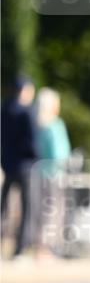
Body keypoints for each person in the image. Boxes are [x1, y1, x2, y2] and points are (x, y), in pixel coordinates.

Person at [1, 74, 37, 257]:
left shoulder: (4, 110)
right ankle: (20, 248)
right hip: (25, 166)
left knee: (4, 206)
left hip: (8, 165)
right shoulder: (26, 112)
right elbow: (31, 142)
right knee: (26, 208)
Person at [35, 87, 71, 255]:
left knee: (41, 211)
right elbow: (59, 154)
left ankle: (40, 247)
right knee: (53, 211)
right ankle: (47, 249)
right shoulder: (55, 125)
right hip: (55, 174)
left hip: (38, 173)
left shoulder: (36, 124)